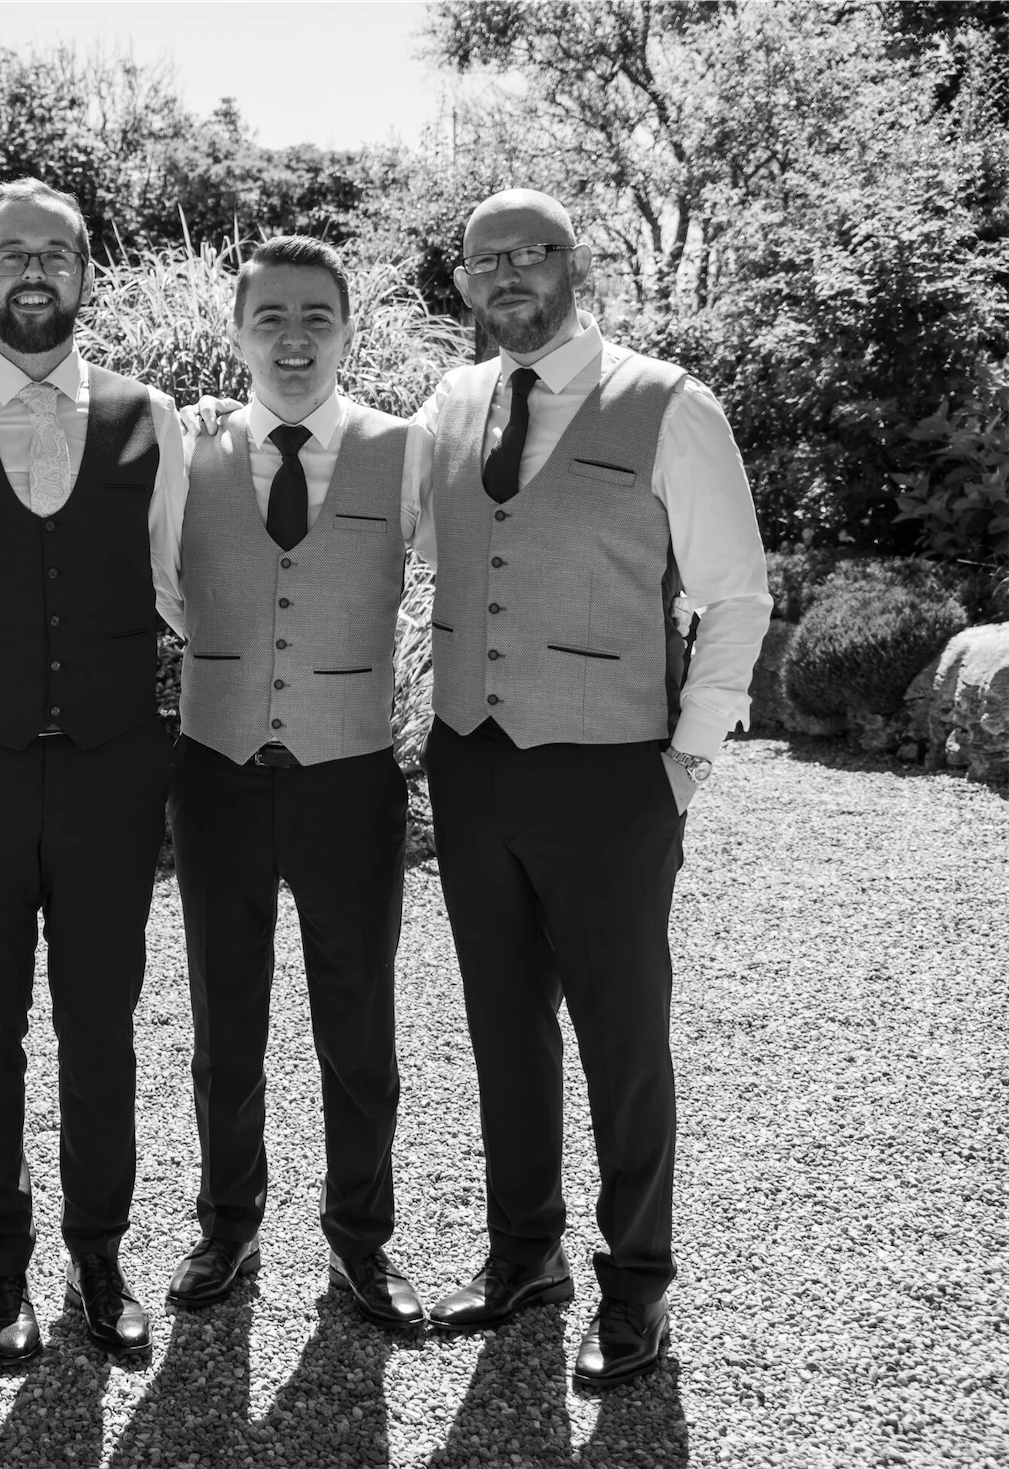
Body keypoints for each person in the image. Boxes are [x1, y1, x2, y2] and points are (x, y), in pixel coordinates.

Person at [413, 189, 770, 1385]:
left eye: (536, 251)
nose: (511, 272)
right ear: (465, 283)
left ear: (576, 264)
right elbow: (411, 536)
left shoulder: (672, 403)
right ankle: (527, 1252)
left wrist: (689, 759)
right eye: (488, 259)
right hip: (471, 759)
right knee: (503, 1023)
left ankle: (639, 1280)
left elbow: (735, 594)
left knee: (622, 1034)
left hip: (616, 772)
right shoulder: (449, 406)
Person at [0, 177, 189, 1365]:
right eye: (11, 253)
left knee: (101, 1025)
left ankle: (98, 1257)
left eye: (57, 251)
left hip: (113, 768)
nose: (34, 271)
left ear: (87, 273)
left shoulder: (152, 416)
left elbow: (175, 587)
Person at [152, 236, 426, 1331]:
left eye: (317, 315)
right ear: (238, 333)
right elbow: (165, 585)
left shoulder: (405, 451)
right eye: (270, 316)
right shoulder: (188, 450)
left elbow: (466, 576)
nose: (294, 337)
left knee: (358, 1022)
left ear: (349, 330)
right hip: (216, 772)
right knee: (225, 1017)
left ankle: (361, 1239)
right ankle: (228, 1222)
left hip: (349, 776)